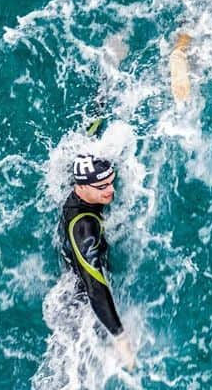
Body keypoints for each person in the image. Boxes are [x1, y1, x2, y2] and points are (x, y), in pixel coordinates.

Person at [58, 153, 136, 369]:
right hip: (80, 300)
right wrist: (120, 337)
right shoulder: (83, 227)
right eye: (102, 186)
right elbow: (96, 287)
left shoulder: (81, 180)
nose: (111, 190)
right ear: (81, 187)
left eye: (111, 182)